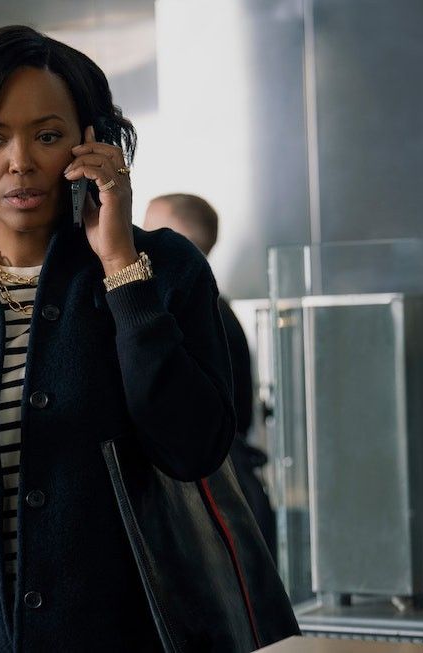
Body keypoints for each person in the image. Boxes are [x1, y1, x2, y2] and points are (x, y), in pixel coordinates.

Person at [0, 26, 236, 651]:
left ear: (91, 143)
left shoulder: (164, 269)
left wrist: (121, 267)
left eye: (48, 136)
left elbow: (193, 451)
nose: (20, 162)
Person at [144, 193, 278, 557]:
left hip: (214, 494)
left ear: (178, 243)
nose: (138, 239)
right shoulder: (216, 310)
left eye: (151, 229)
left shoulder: (193, 318)